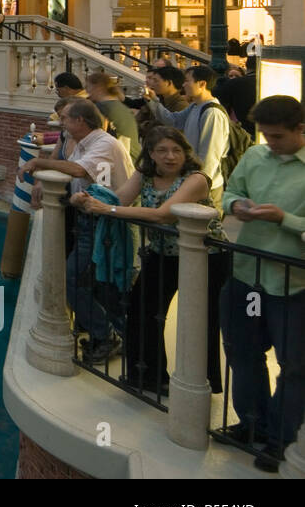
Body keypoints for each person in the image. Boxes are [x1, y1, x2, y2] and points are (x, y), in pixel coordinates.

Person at [71, 126, 225, 394]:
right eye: (162, 150)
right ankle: (148, 377)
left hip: (205, 258)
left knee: (201, 320)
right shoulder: (145, 174)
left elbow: (164, 215)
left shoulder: (196, 179)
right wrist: (85, 199)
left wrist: (107, 209)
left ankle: (202, 384)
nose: (170, 156)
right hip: (162, 252)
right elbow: (120, 198)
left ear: (185, 153)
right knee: (143, 311)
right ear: (151, 154)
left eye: (177, 150)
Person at [220, 95, 305, 471]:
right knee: (242, 352)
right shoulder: (254, 156)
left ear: (301, 129)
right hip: (247, 276)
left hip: (293, 285)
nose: (270, 142)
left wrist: (284, 218)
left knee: (294, 366)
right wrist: (236, 206)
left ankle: (280, 440)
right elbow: (230, 192)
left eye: (278, 137)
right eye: (266, 136)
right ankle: (251, 424)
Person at [19, 99, 135, 362]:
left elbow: (80, 170)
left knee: (75, 279)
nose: (61, 122)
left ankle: (105, 335)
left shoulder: (103, 144)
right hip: (88, 220)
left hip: (101, 223)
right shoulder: (87, 143)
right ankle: (102, 330)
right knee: (90, 281)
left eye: (66, 118)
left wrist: (39, 164)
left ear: (80, 121)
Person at [148, 64, 232, 203]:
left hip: (205, 187)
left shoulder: (212, 113)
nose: (184, 84)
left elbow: (209, 157)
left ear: (202, 84)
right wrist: (153, 101)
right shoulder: (195, 106)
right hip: (192, 180)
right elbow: (173, 121)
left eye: (187, 81)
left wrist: (199, 186)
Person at [85, 72, 141, 163]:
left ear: (98, 88)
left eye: (88, 87)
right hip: (135, 157)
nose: (87, 91)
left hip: (123, 159)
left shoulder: (101, 108)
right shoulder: (120, 106)